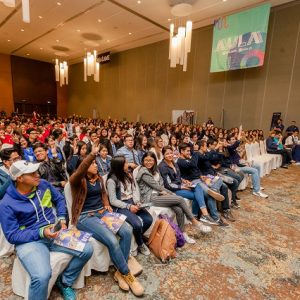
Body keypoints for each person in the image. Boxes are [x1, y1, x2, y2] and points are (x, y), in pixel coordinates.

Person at [0, 160, 93, 300]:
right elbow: (12, 235)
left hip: (54, 232)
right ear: (19, 178)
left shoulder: (42, 184)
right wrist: (41, 232)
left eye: (37, 171)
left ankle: (65, 282)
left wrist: (61, 217)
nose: (38, 175)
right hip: (31, 241)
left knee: (87, 249)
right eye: (32, 173)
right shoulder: (6, 203)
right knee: (42, 276)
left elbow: (60, 199)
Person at [69, 145, 144, 296]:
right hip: (85, 217)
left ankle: (118, 272)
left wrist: (107, 205)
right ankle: (127, 275)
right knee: (112, 239)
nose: (95, 165)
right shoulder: (77, 180)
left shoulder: (98, 179)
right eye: (92, 164)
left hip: (102, 212)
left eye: (96, 163)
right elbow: (80, 171)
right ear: (83, 168)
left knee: (127, 230)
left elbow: (103, 194)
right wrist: (91, 154)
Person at [136, 151, 212, 244]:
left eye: (151, 160)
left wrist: (168, 193)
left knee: (179, 209)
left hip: (159, 195)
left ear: (154, 161)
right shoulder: (143, 172)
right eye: (146, 160)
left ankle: (182, 234)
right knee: (180, 199)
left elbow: (161, 185)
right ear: (142, 161)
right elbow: (157, 187)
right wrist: (172, 194)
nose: (149, 162)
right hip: (150, 198)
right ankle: (195, 221)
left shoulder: (155, 170)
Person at [159, 146, 218, 225]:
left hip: (180, 184)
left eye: (171, 153)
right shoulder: (162, 166)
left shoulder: (174, 163)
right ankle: (202, 215)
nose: (170, 155)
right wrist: (182, 187)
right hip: (173, 190)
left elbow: (178, 176)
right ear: (163, 155)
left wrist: (185, 181)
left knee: (197, 187)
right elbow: (168, 184)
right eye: (167, 154)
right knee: (197, 194)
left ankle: (199, 215)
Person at [106, 156, 153, 256]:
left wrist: (137, 202)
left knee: (148, 219)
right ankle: (140, 243)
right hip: (121, 205)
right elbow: (113, 200)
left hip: (132, 201)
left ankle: (138, 237)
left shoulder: (128, 175)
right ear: (119, 166)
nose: (128, 165)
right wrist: (128, 206)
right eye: (126, 163)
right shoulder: (111, 180)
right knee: (137, 224)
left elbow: (134, 190)